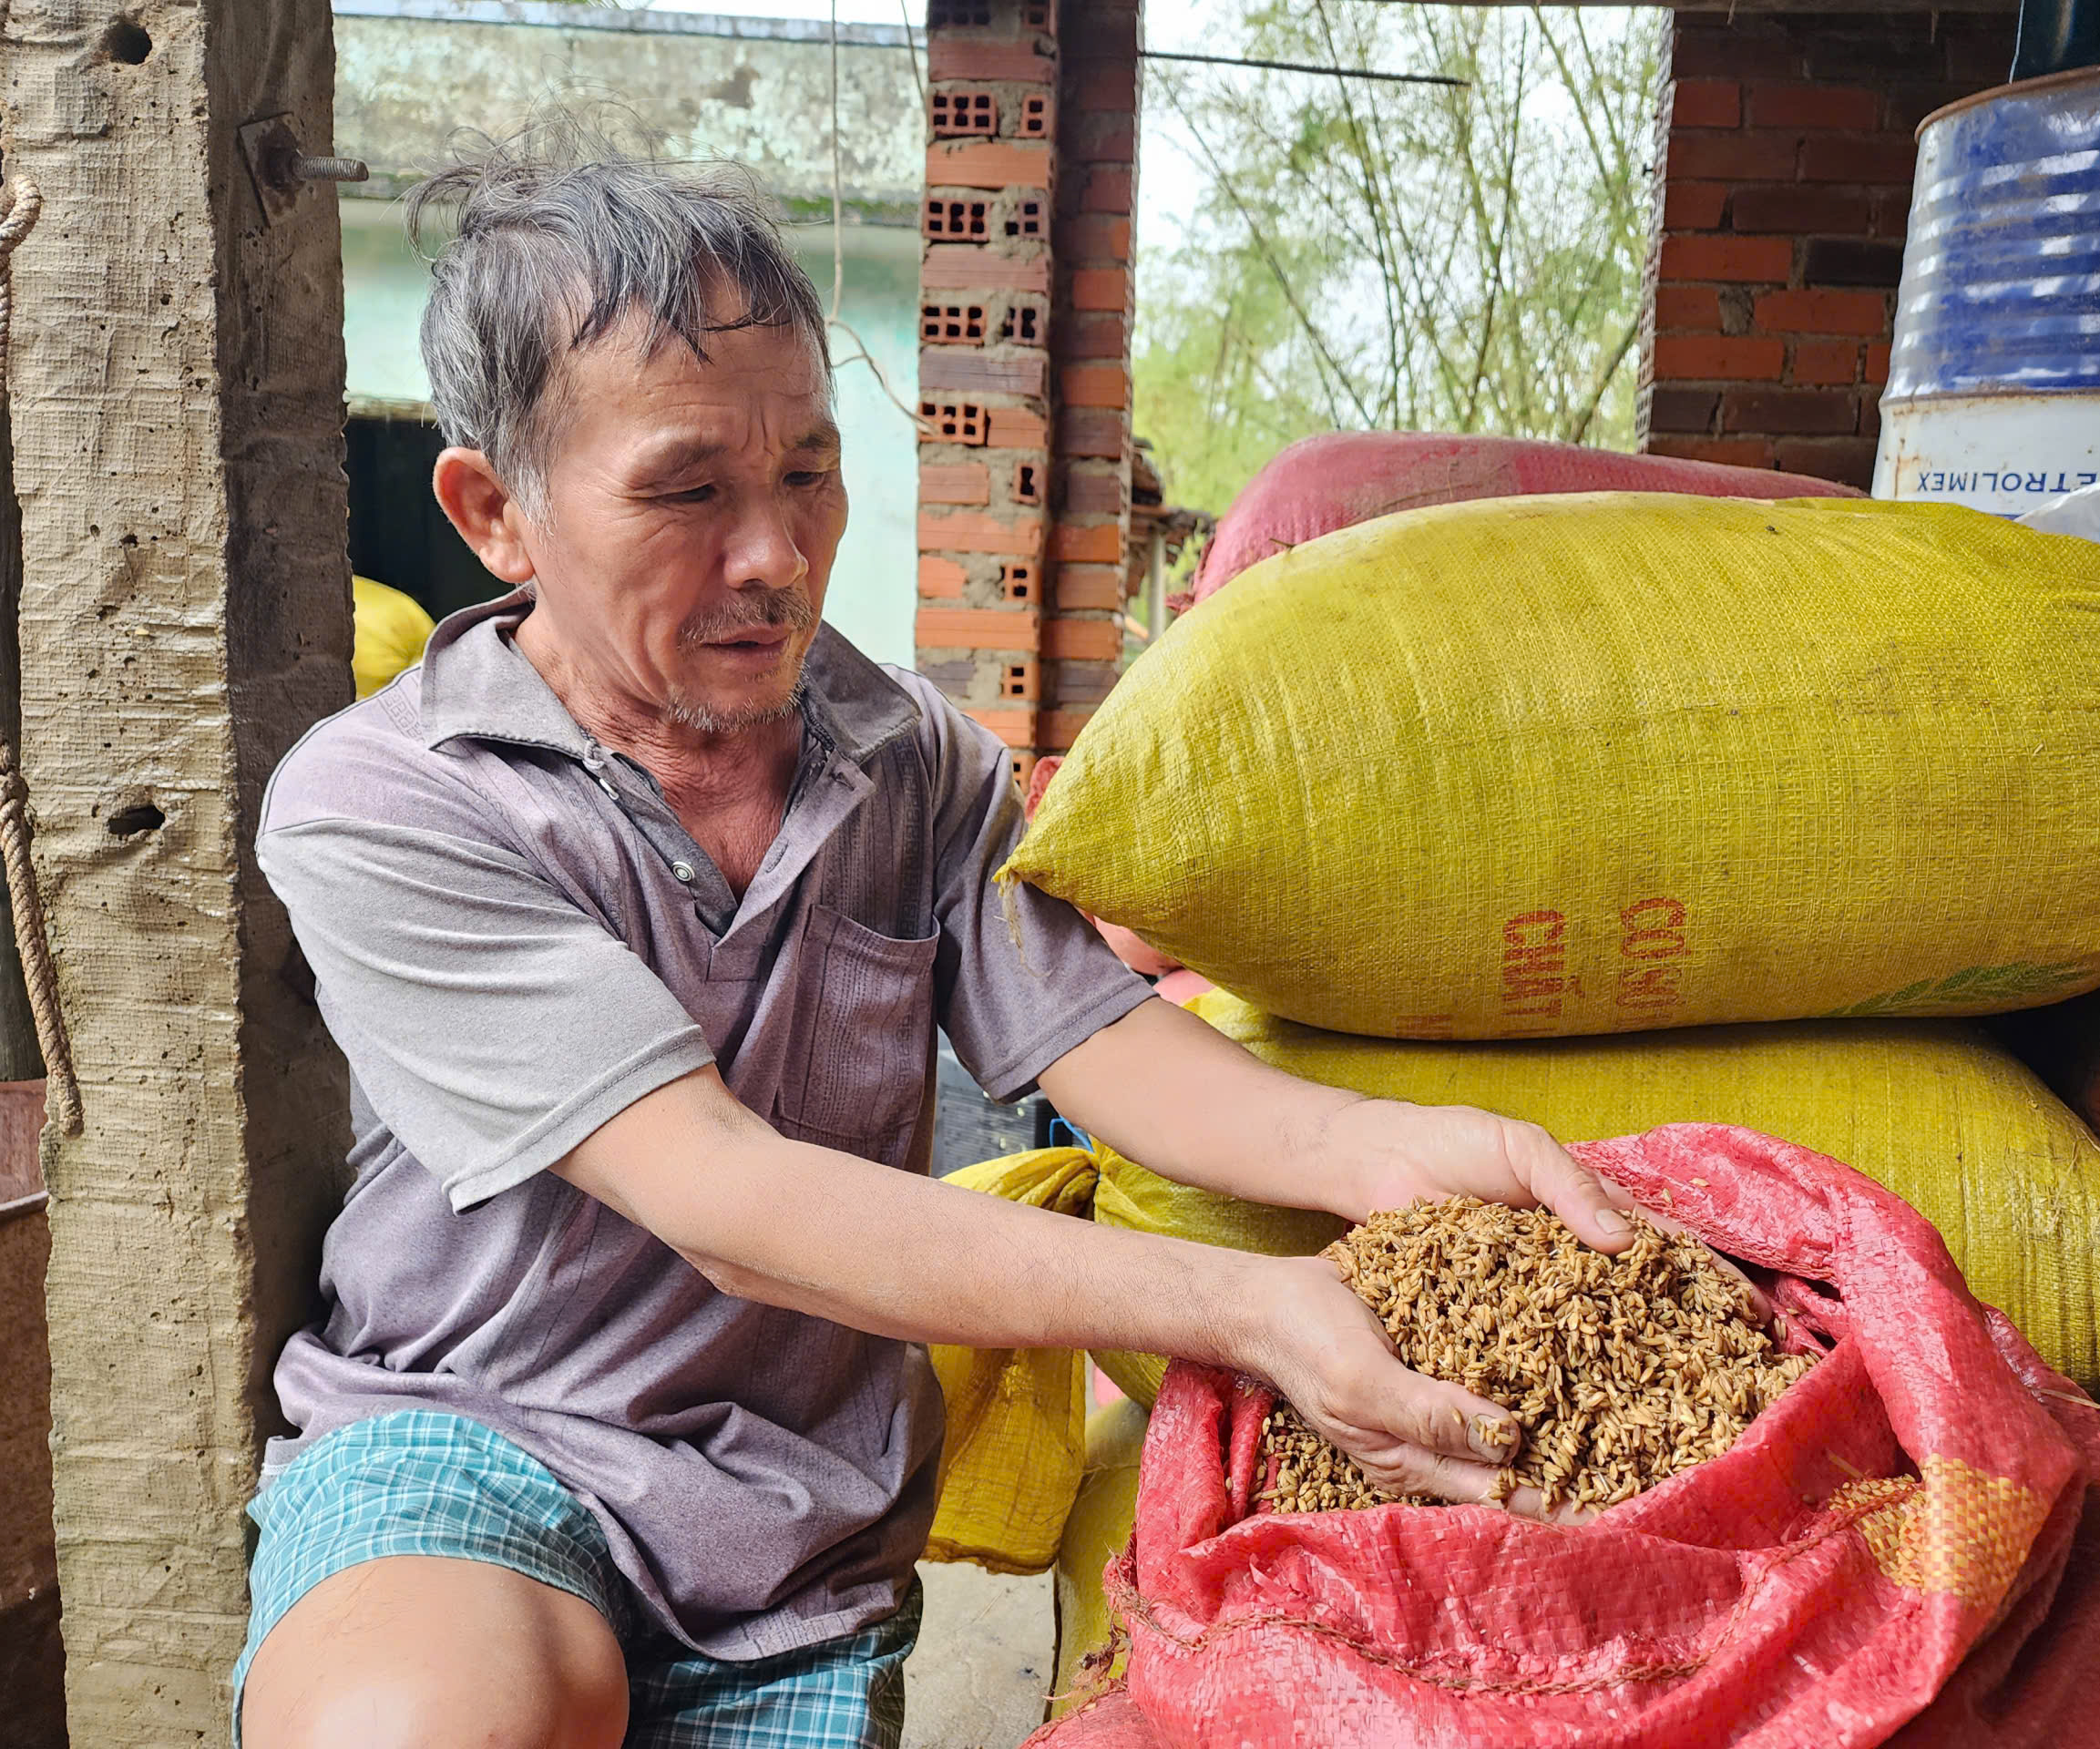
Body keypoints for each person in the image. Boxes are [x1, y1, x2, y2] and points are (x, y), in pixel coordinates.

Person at [234, 139, 1643, 1749]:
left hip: (793, 1519)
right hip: (477, 1443)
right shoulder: (387, 801)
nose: (773, 555)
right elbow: (728, 1203)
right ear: (498, 513)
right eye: (689, 490)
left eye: (809, 476)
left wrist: (1393, 1153)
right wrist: (1246, 1308)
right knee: (433, 1725)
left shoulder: (908, 757)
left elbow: (1102, 1044)